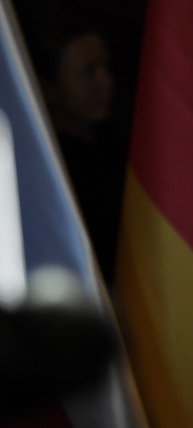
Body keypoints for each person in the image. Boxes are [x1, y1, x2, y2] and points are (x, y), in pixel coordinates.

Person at [31, 23, 128, 286]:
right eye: (88, 72)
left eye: (106, 68)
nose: (106, 82)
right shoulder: (46, 171)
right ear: (50, 89)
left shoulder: (121, 150)